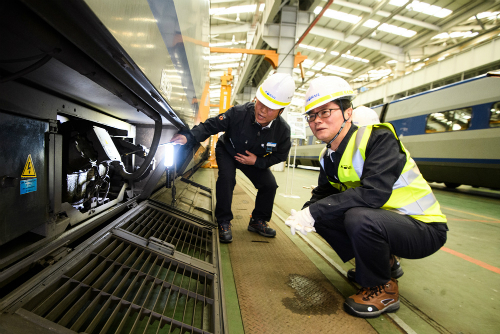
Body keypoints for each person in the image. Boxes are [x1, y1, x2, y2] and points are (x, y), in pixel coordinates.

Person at [285, 76, 448, 318]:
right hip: (387, 223)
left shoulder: (378, 139)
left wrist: (314, 212)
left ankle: (383, 288)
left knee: (358, 216)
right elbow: (323, 193)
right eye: (311, 115)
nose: (317, 120)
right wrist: (306, 213)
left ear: (348, 113)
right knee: (323, 212)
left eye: (326, 112)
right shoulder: (328, 154)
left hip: (423, 228)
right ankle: (385, 262)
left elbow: (374, 193)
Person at [170, 73, 295, 243]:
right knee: (227, 179)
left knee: (269, 185)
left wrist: (257, 162)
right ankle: (223, 221)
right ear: (256, 99)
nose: (263, 111)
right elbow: (212, 125)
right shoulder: (239, 113)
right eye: (261, 103)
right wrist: (189, 136)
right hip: (228, 150)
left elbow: (281, 154)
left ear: (281, 111)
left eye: (271, 108)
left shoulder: (282, 131)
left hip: (252, 159)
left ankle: (258, 221)